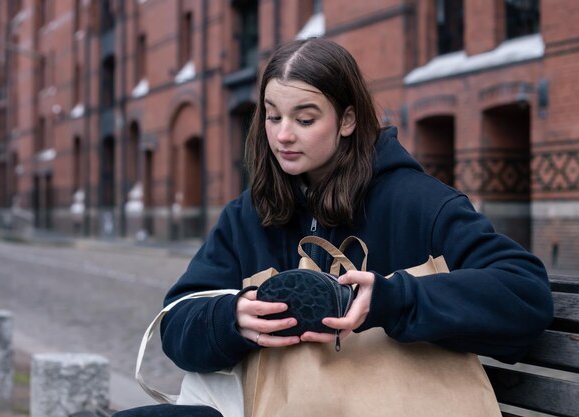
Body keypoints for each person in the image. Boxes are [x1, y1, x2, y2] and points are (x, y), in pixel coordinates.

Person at [115, 37, 553, 417]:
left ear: (347, 120)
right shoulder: (249, 213)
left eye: (304, 119)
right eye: (272, 116)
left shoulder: (418, 203)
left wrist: (392, 299)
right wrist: (230, 319)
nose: (283, 135)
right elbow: (176, 328)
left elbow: (525, 295)